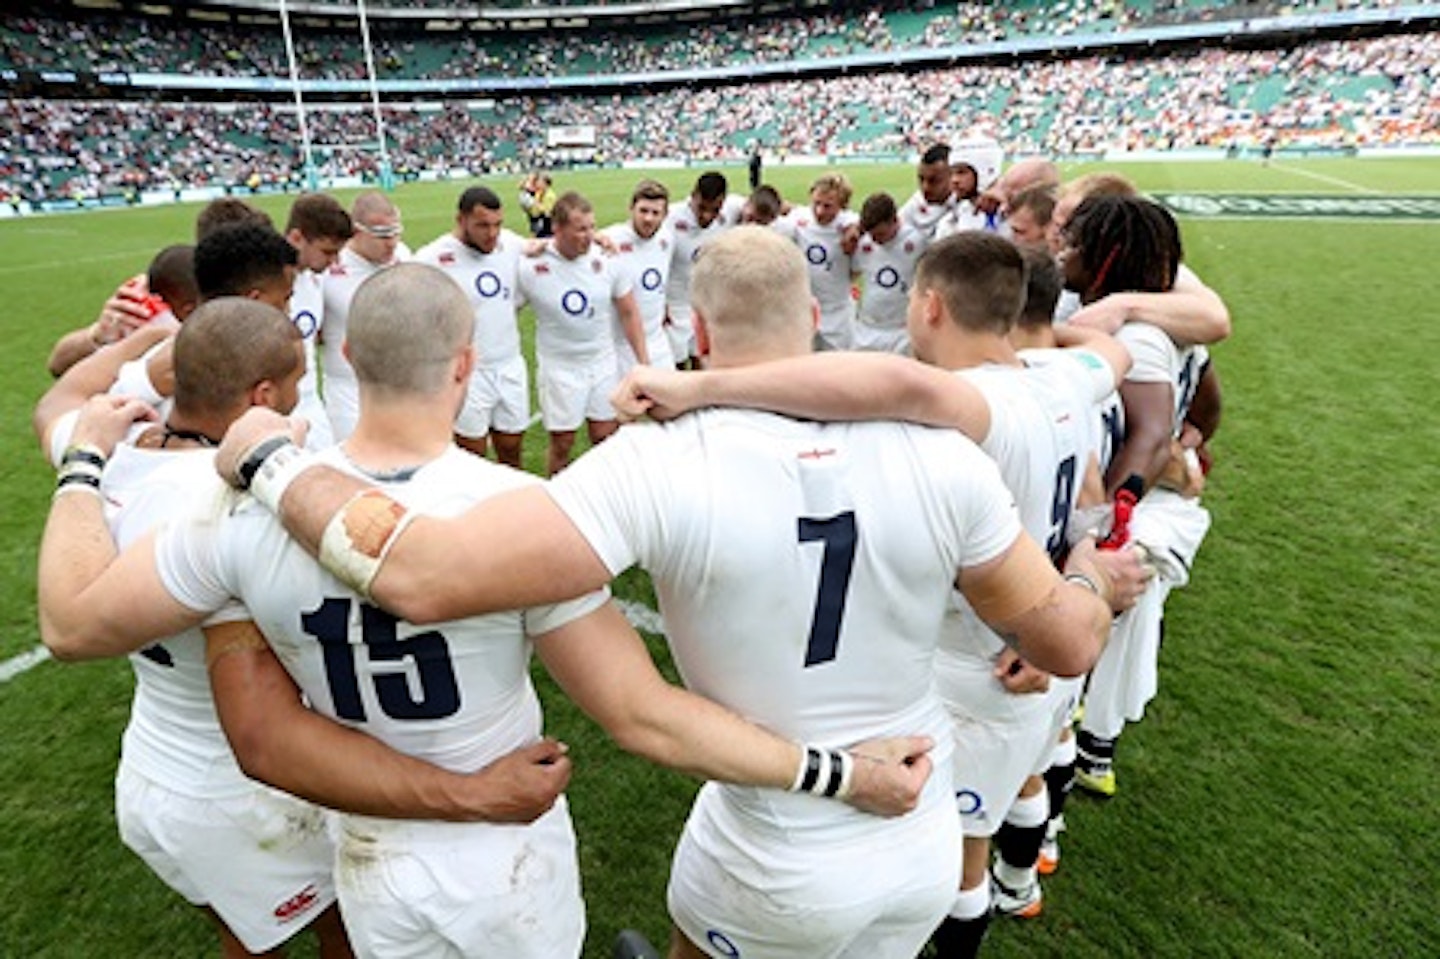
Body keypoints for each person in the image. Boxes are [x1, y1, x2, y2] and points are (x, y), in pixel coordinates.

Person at [207, 227, 1120, 959]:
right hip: (919, 830)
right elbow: (1068, 644)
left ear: (700, 332)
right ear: (813, 314)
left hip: (773, 854)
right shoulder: (941, 455)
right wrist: (1091, 566)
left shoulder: (652, 461)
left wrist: (270, 460)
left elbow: (422, 574)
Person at [39, 263, 932, 958]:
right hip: (507, 853)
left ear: (344, 358)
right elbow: (640, 713)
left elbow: (75, 627)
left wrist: (83, 462)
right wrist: (839, 773)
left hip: (376, 851)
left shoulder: (231, 510)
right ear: (466, 366)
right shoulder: (519, 510)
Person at [609, 233, 1143, 958]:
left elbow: (898, 386)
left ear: (927, 306)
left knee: (960, 847)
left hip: (974, 664)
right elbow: (1119, 352)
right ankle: (1023, 875)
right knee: (991, 813)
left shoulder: (965, 405)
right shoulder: (1068, 377)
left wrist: (701, 383)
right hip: (1032, 642)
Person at [35, 298, 352, 959]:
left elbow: (58, 401)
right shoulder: (226, 507)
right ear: (262, 394)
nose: (301, 399)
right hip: (239, 793)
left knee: (249, 931)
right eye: (295, 384)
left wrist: (129, 343)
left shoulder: (103, 452)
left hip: (152, 768)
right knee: (342, 927)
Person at [1057, 195, 1221, 798]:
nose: (1062, 249)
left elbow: (1148, 440)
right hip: (1151, 508)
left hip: (1139, 517)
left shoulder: (1140, 338)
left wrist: (1104, 526)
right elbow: (1208, 401)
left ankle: (1073, 767)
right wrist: (1196, 439)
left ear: (1105, 257)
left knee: (1093, 629)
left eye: (1075, 241)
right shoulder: (1163, 328)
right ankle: (1088, 752)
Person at [520, 190, 646, 475]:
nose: (588, 235)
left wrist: (642, 361)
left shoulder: (608, 259)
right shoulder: (530, 267)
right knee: (563, 443)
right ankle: (558, 499)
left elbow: (629, 312)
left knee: (605, 437)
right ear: (558, 229)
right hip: (559, 369)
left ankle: (605, 497)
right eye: (580, 229)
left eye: (592, 227)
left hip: (602, 363)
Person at [413, 185, 531, 468]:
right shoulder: (432, 258)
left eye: (497, 225)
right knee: (471, 456)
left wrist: (600, 239)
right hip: (465, 372)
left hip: (509, 364)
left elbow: (552, 249)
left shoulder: (511, 245)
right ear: (461, 220)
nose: (492, 234)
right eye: (482, 225)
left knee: (511, 448)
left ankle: (511, 508)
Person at [320, 191, 409, 442]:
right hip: (347, 388)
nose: (390, 242)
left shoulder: (403, 255)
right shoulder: (331, 269)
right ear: (356, 231)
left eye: (395, 232)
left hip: (398, 384)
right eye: (381, 235)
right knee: (357, 468)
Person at [282, 193, 353, 452]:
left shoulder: (316, 277)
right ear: (297, 238)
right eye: (327, 252)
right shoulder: (265, 282)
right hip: (277, 411)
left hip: (312, 402)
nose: (334, 261)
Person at [664, 171, 746, 367]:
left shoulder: (734, 207)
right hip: (675, 304)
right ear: (693, 196)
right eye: (701, 208)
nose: (706, 215)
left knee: (705, 360)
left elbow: (767, 203)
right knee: (676, 365)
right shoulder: (671, 217)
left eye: (714, 209)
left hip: (708, 303)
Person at [601, 179, 677, 374]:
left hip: (657, 339)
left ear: (665, 215)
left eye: (655, 213)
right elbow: (574, 239)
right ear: (631, 208)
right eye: (643, 210)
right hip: (620, 346)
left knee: (670, 401)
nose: (648, 218)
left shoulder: (667, 239)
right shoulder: (611, 239)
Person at [777, 173, 859, 351]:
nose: (820, 211)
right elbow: (778, 208)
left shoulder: (849, 225)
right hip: (803, 310)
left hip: (837, 314)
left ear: (842, 206)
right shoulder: (799, 218)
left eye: (828, 206)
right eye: (816, 203)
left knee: (838, 369)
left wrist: (855, 229)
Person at [851, 191, 928, 354]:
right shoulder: (863, 244)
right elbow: (853, 272)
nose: (875, 240)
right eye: (871, 235)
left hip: (902, 330)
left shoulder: (917, 242)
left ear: (895, 221)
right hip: (867, 327)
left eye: (880, 234)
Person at [898, 143, 956, 237]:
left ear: (953, 176)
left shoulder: (967, 205)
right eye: (921, 179)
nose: (925, 187)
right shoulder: (917, 202)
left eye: (933, 181)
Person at [519, 172, 557, 237]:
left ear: (545, 183)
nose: (537, 183)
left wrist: (535, 204)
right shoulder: (539, 193)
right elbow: (535, 211)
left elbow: (548, 212)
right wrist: (528, 209)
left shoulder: (550, 195)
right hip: (539, 223)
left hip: (548, 226)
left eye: (540, 181)